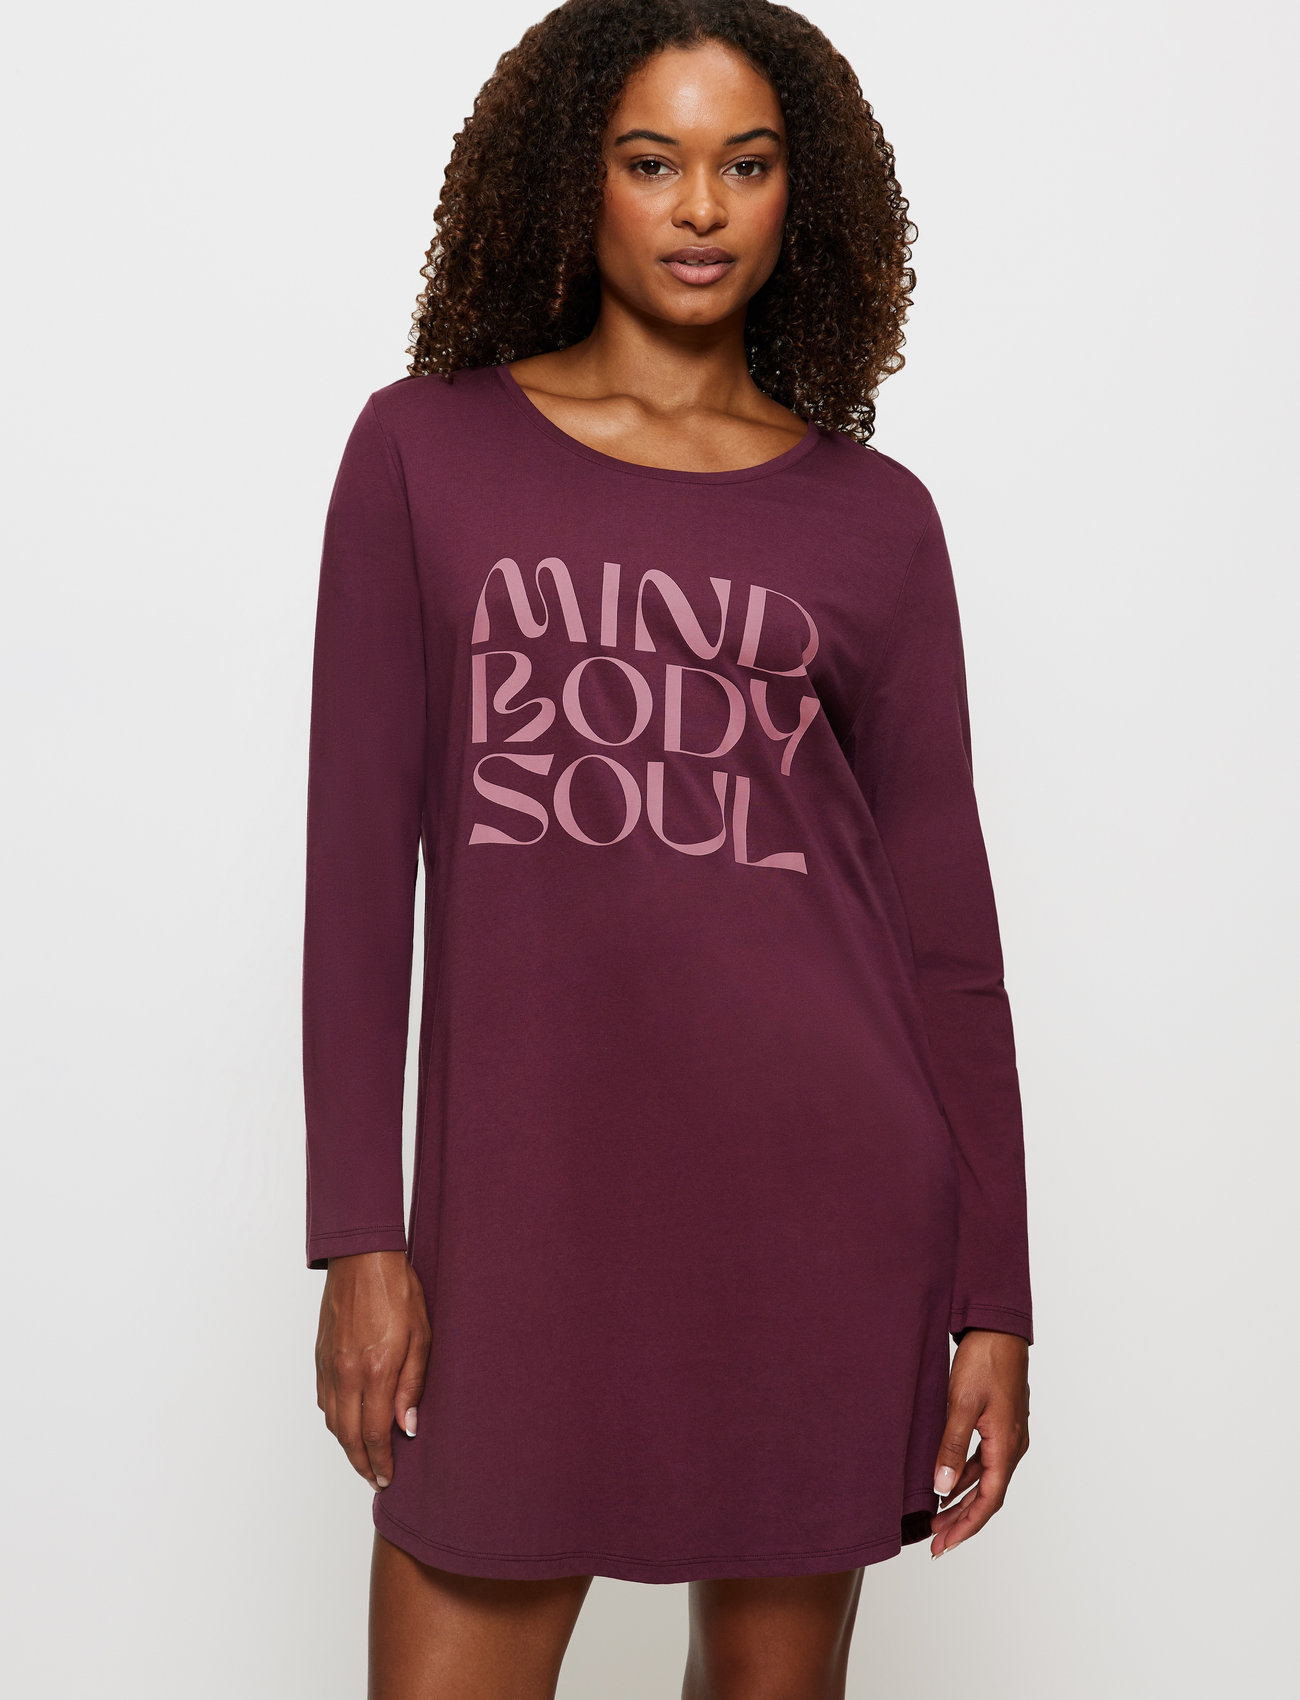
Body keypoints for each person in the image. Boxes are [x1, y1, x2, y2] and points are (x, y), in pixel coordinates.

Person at [302, 1, 1033, 1693]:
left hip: (819, 1212)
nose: (701, 207)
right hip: (519, 1218)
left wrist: (994, 1295)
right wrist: (359, 1237)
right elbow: (355, 882)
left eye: (746, 165)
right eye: (653, 162)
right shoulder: (424, 452)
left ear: (801, 195)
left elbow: (948, 945)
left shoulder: (875, 519)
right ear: (579, 178)